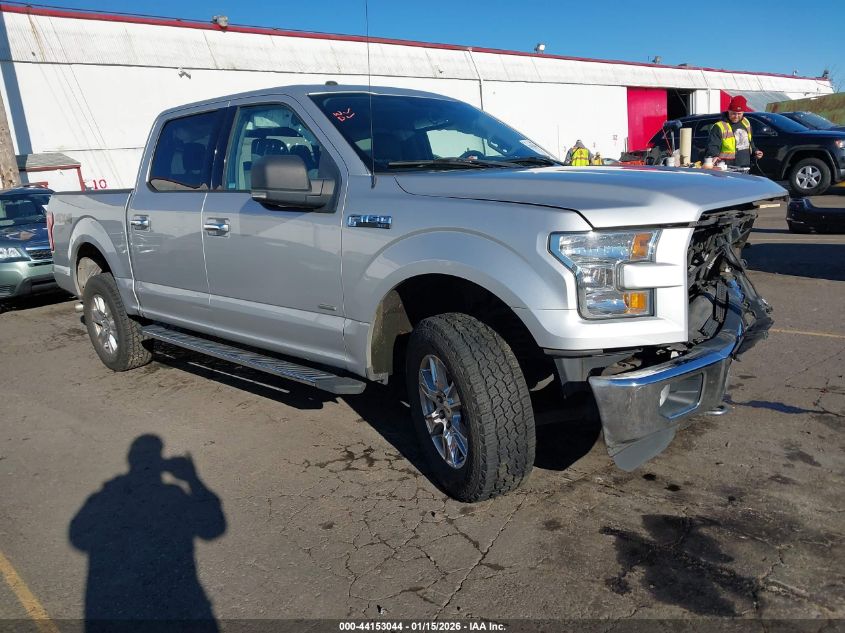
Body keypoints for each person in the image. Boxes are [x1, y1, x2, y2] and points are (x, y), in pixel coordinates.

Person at [706, 96, 763, 169]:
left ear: (743, 112)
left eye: (739, 114)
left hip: (745, 166)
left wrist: (756, 151)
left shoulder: (746, 122)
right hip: (727, 167)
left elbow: (750, 142)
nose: (736, 116)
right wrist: (714, 156)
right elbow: (712, 146)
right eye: (733, 113)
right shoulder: (719, 126)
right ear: (729, 111)